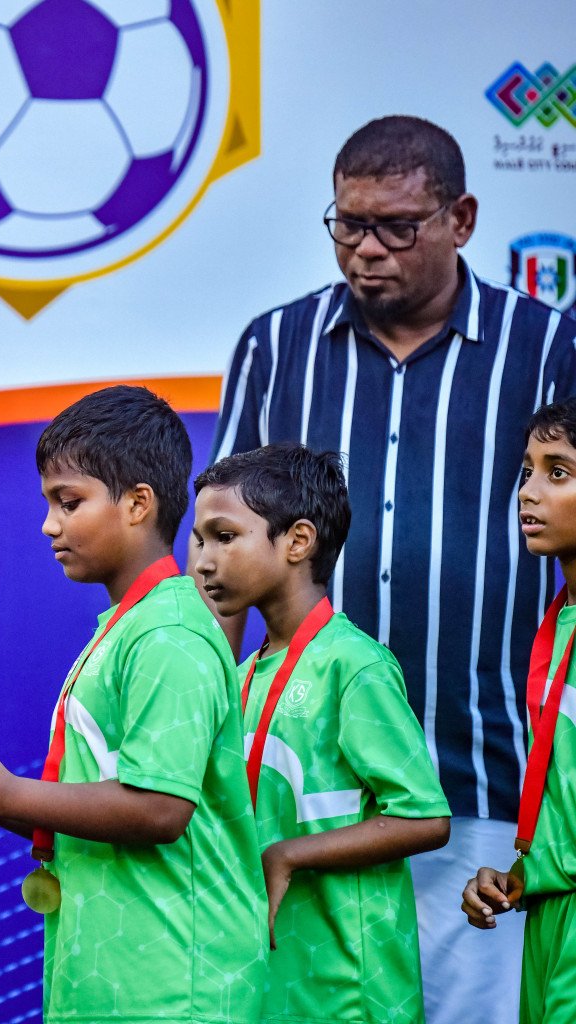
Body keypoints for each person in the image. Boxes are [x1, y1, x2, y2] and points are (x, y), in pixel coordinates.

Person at [210, 115, 576, 1023]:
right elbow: (219, 552)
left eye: (398, 227)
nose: (367, 251)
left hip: (484, 775)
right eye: (347, 224)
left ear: (463, 217)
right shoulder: (275, 346)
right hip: (306, 794)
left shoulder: (549, 346)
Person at [0, 385, 266, 1024]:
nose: (49, 525)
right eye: (49, 503)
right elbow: (105, 808)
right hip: (119, 983)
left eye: (69, 501)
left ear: (138, 505)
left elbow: (159, 809)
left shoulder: (168, 633)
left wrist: (7, 794)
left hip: (177, 990)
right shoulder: (126, 626)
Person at [192, 442, 450, 1023]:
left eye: (225, 536)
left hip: (350, 987)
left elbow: (426, 817)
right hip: (272, 979)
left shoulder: (352, 665)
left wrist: (289, 856)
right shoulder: (242, 675)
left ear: (298, 542)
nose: (205, 560)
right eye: (200, 539)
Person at [463, 398, 576, 1024]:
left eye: (557, 472)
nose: (529, 492)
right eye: (527, 471)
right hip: (550, 919)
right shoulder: (559, 621)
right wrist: (519, 874)